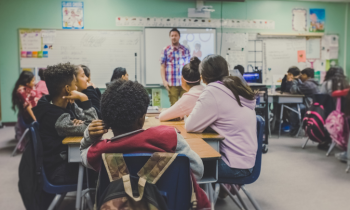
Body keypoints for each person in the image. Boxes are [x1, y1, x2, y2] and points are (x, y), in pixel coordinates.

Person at [79, 79, 210, 209]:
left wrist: (89, 136)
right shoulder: (169, 137)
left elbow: (83, 153)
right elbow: (198, 170)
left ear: (106, 120)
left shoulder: (100, 150)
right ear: (142, 117)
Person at [185, 54, 257, 196]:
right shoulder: (237, 87)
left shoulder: (213, 91)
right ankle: (218, 194)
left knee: (181, 165)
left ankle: (199, 202)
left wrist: (189, 117)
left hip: (234, 166)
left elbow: (190, 126)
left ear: (203, 76)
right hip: (247, 161)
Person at [32, 62, 98, 185]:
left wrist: (82, 122)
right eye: (75, 85)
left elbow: (88, 123)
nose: (77, 88)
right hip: (59, 170)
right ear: (68, 89)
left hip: (66, 161)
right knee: (102, 169)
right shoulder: (57, 118)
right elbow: (94, 128)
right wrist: (84, 98)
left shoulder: (66, 104)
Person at [159, 57, 204, 121]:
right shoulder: (207, 91)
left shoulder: (188, 97)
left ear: (182, 79)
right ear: (200, 78)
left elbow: (162, 117)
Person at [160, 28, 191, 105]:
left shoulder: (185, 50)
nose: (174, 37)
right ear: (170, 37)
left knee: (186, 105)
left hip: (184, 83)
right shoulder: (165, 50)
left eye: (175, 35)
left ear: (179, 37)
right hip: (171, 83)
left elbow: (189, 66)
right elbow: (162, 66)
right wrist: (164, 81)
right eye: (172, 35)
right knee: (174, 106)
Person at [289, 68, 320, 136]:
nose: (301, 76)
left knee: (294, 110)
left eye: (302, 75)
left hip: (310, 106)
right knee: (295, 107)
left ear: (306, 75)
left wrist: (294, 80)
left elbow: (293, 90)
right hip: (314, 105)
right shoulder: (313, 83)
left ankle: (294, 129)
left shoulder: (308, 84)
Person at [12, 71, 39, 141]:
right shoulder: (21, 90)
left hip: (34, 112)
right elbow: (28, 106)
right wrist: (35, 119)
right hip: (29, 117)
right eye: (33, 80)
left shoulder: (28, 87)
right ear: (27, 82)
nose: (34, 82)